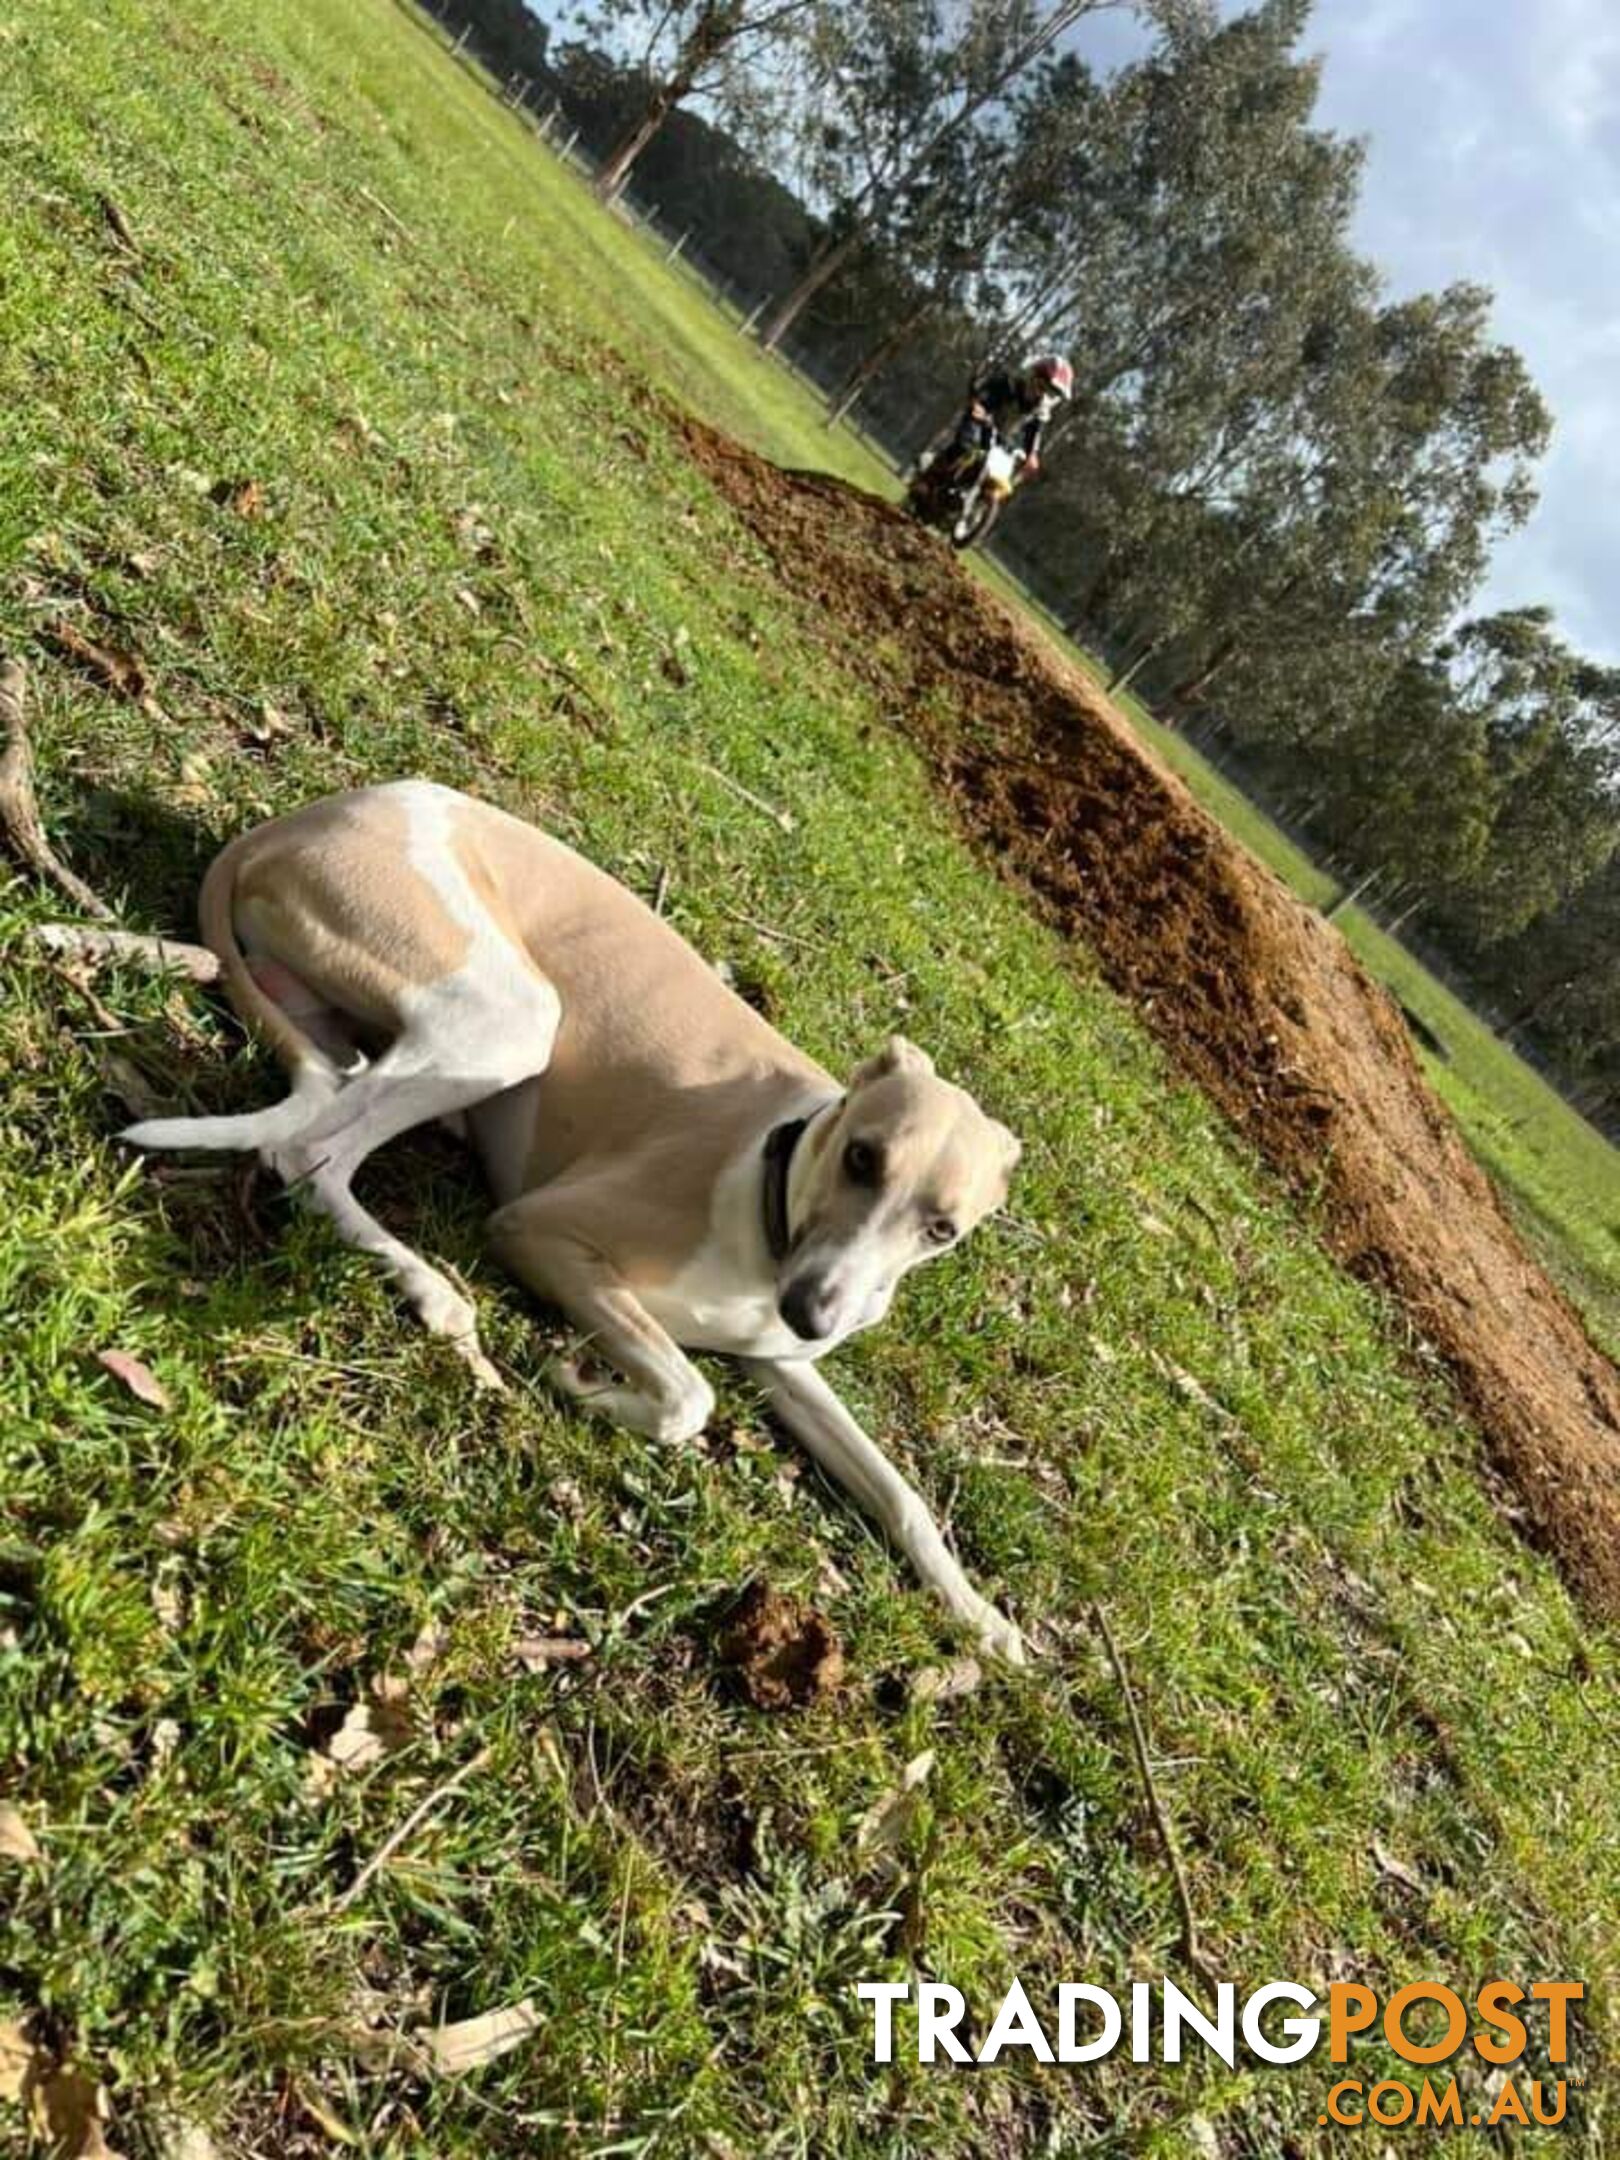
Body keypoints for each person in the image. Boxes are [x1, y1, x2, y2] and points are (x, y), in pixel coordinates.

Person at [950, 352, 1074, 479]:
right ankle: (934, 478)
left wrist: (1031, 456)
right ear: (1032, 376)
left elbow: (1033, 434)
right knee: (966, 448)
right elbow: (981, 391)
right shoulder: (1007, 382)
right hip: (978, 422)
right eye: (1041, 387)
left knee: (999, 487)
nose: (1041, 394)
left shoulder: (1039, 411)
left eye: (1050, 393)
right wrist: (978, 404)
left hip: (998, 439)